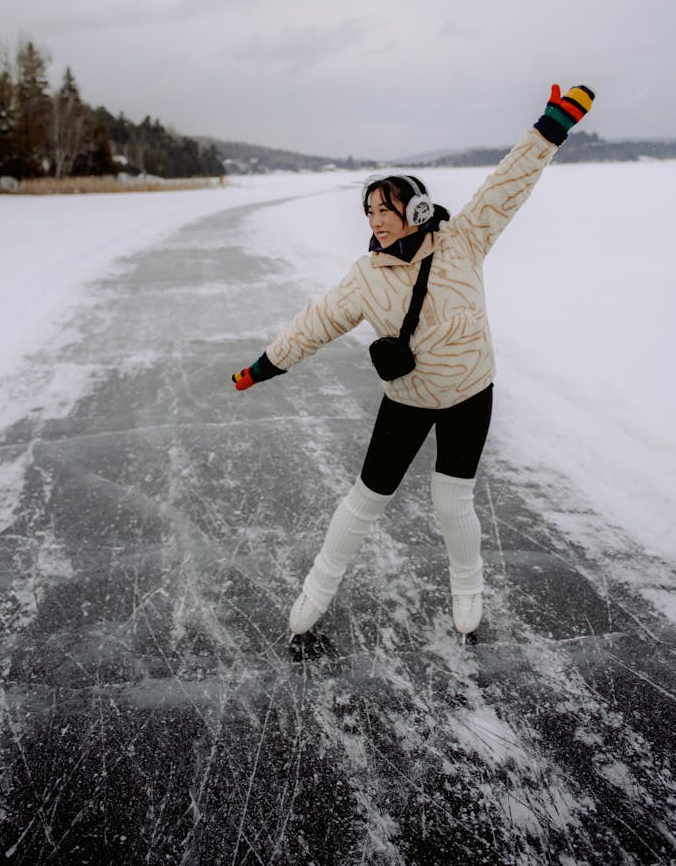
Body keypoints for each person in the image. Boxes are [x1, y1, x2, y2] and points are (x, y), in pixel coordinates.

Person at [232, 84, 595, 640]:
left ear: (417, 208)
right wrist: (264, 365)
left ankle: (467, 592)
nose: (377, 219)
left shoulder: (464, 240)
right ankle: (315, 592)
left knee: (453, 502)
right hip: (406, 401)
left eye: (387, 208)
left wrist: (551, 126)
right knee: (364, 502)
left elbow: (507, 187)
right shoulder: (365, 277)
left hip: (471, 393)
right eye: (370, 210)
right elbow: (316, 322)